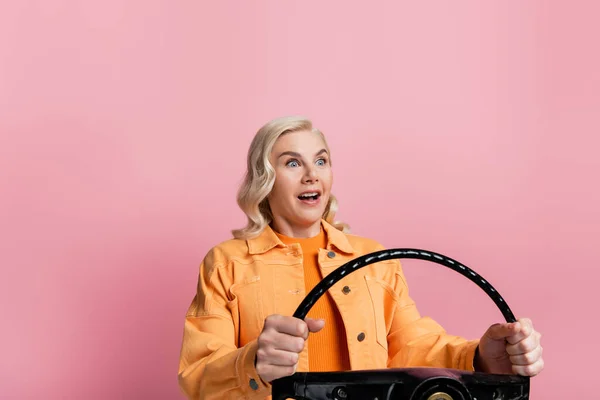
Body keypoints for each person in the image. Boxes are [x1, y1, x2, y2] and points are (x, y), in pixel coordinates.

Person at [177, 116, 544, 400]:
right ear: (265, 178)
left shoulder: (374, 259)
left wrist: (481, 357)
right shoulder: (227, 263)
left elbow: (413, 347)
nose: (310, 175)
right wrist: (253, 362)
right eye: (292, 163)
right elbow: (198, 375)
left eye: (321, 161)